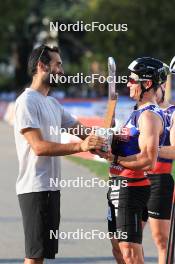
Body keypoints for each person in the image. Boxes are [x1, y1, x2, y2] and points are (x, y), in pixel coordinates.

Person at [14, 44, 105, 264]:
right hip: (34, 188)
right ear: (41, 66)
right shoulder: (26, 102)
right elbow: (39, 147)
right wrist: (80, 147)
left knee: (41, 255)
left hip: (51, 189)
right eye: (58, 65)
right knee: (34, 257)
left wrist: (106, 138)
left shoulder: (52, 103)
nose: (62, 71)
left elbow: (83, 132)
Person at [105, 57, 167, 264]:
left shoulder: (149, 116)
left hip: (131, 188)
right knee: (118, 249)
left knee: (130, 253)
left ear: (147, 83)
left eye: (132, 80)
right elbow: (127, 146)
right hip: (118, 186)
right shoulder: (137, 113)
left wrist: (115, 157)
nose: (128, 84)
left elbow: (149, 160)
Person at [142, 63, 175, 264]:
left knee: (162, 240)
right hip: (135, 179)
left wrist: (150, 150)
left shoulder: (172, 113)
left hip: (159, 181)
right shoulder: (139, 111)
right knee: (127, 242)